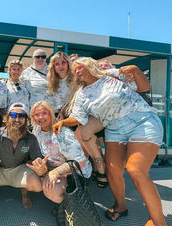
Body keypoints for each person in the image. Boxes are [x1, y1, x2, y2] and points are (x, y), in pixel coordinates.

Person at [53, 57, 167, 225]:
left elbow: (144, 87)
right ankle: (120, 206)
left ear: (90, 64)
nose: (75, 71)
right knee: (112, 170)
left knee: (135, 170)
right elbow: (78, 118)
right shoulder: (82, 94)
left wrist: (135, 70)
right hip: (115, 129)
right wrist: (63, 122)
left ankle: (158, 221)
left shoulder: (112, 75)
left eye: (78, 67)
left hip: (141, 120)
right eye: (73, 70)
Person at [0, 102, 47, 210]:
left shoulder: (31, 138)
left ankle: (24, 191)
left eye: (21, 116)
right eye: (13, 115)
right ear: (7, 118)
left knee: (37, 185)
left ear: (26, 120)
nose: (17, 119)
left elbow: (38, 162)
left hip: (18, 171)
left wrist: (42, 169)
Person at [30, 101, 91, 203]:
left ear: (51, 113)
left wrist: (55, 173)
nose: (41, 117)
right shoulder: (36, 130)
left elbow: (81, 163)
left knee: (50, 190)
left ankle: (69, 208)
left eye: (44, 113)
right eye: (36, 115)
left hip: (74, 172)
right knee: (31, 180)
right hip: (51, 168)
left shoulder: (61, 132)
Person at [47, 51, 74, 119]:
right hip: (57, 116)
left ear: (68, 63)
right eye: (57, 64)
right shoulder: (51, 81)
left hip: (72, 115)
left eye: (63, 62)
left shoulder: (76, 79)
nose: (61, 66)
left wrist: (63, 111)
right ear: (53, 67)